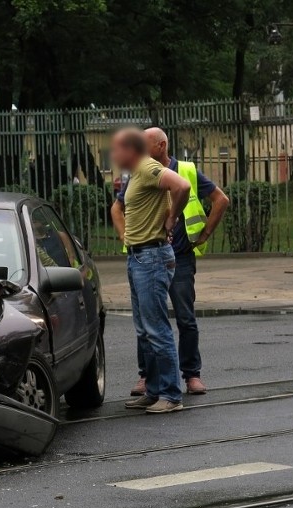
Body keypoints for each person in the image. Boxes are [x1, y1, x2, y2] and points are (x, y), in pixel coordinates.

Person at [114, 128, 230, 397]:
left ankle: (190, 375)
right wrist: (125, 235)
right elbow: (117, 207)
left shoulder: (185, 170)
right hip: (146, 255)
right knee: (148, 323)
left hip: (179, 257)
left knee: (184, 319)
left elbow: (221, 199)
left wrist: (205, 234)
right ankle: (148, 377)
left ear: (161, 145)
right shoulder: (142, 170)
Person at [109, 127, 190, 414]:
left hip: (152, 257)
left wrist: (172, 219)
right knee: (145, 330)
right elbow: (118, 209)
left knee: (156, 329)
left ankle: (171, 394)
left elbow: (182, 186)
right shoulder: (136, 172)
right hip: (139, 256)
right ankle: (155, 390)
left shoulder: (148, 166)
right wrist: (126, 237)